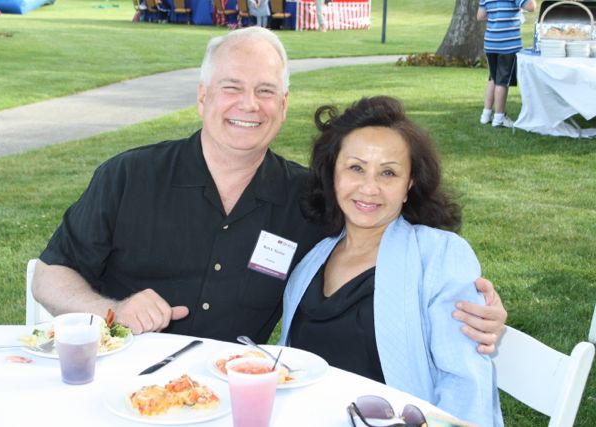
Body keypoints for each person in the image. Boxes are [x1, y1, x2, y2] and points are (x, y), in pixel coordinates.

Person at [32, 27, 506, 351]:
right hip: (117, 382)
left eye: (265, 91)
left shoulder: (309, 198)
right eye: (231, 88)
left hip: (232, 395)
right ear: (202, 97)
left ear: (283, 104)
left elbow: (385, 230)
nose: (249, 105)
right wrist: (112, 310)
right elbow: (49, 277)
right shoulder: (129, 176)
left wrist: (466, 301)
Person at [278, 96, 502, 426]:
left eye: (388, 173)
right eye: (356, 168)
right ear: (333, 174)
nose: (370, 188)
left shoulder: (438, 256)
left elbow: (466, 386)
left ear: (409, 185)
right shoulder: (312, 260)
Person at [477, 0, 536, 128]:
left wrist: (497, 18)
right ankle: (499, 118)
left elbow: (480, 16)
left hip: (491, 42)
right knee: (502, 82)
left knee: (493, 78)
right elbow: (531, 7)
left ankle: (486, 115)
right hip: (508, 45)